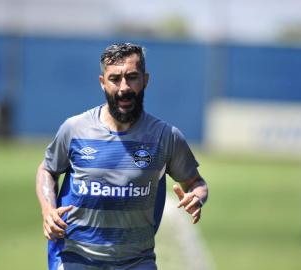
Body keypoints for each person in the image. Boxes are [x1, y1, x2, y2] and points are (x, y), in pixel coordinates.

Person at [36, 42, 208, 270]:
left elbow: (196, 182)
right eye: (115, 79)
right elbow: (47, 169)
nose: (124, 87)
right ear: (102, 83)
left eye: (132, 77)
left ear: (145, 80)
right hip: (75, 258)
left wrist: (197, 197)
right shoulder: (74, 129)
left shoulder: (166, 136)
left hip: (137, 262)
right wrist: (48, 210)